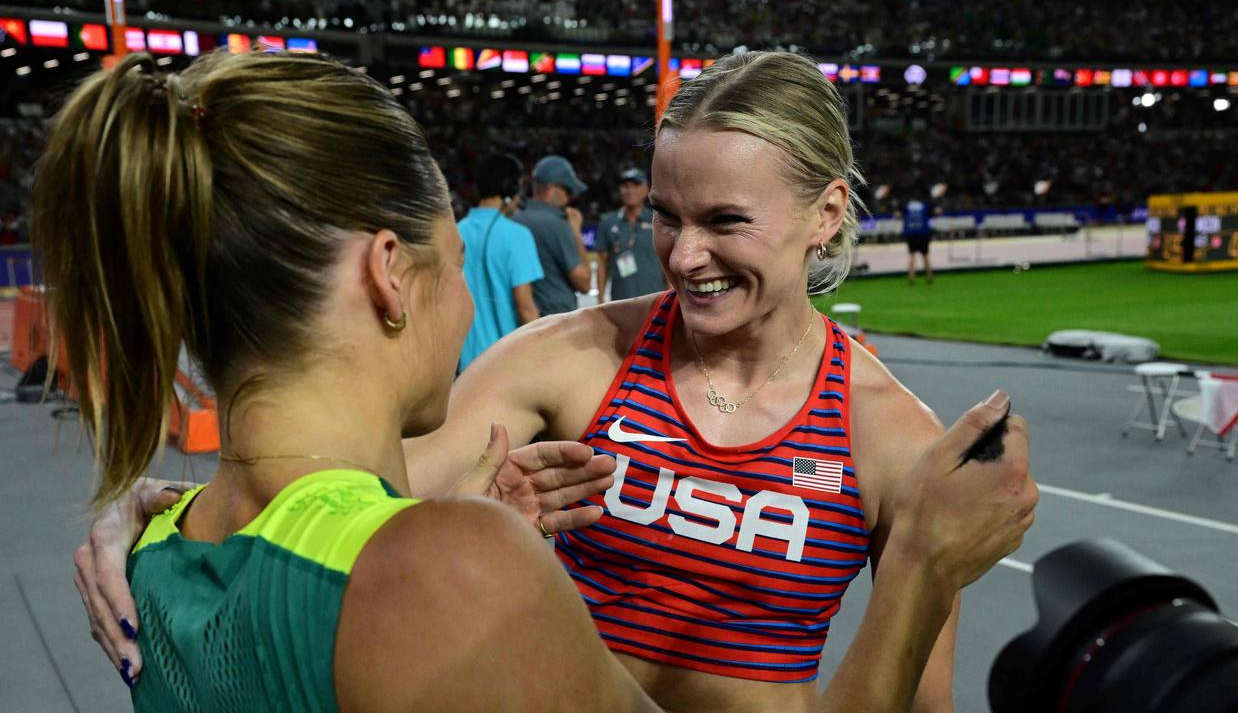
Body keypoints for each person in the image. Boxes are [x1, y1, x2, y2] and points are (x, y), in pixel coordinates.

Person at [78, 51, 1037, 713]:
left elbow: (923, 698)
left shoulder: (898, 445)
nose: (685, 253)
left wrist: (163, 522)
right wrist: (176, 501)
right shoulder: (565, 358)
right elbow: (336, 496)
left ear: (827, 213)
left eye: (726, 219)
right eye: (665, 214)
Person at [46, 50, 656, 712]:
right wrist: (479, 569)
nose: (466, 304)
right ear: (388, 272)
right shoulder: (455, 568)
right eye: (453, 265)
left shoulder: (149, 552)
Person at [456, 153, 543, 372]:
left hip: (464, 369)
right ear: (509, 189)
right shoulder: (517, 235)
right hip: (507, 367)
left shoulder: (456, 231)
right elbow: (525, 305)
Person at [513, 155, 591, 315]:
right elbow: (584, 283)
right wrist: (576, 233)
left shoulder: (515, 219)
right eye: (567, 190)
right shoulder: (557, 225)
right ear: (551, 189)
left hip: (522, 320)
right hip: (557, 320)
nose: (570, 198)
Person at [595, 167, 666, 303]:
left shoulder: (658, 220)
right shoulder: (608, 222)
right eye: (625, 186)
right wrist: (600, 299)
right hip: (620, 303)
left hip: (656, 302)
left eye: (636, 185)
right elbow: (602, 264)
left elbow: (666, 262)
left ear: (647, 189)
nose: (630, 190)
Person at [902, 191, 934, 284]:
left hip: (911, 233)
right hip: (923, 233)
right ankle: (929, 276)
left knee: (912, 255)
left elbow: (899, 215)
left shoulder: (907, 206)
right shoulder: (924, 206)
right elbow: (932, 214)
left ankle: (911, 277)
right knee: (925, 255)